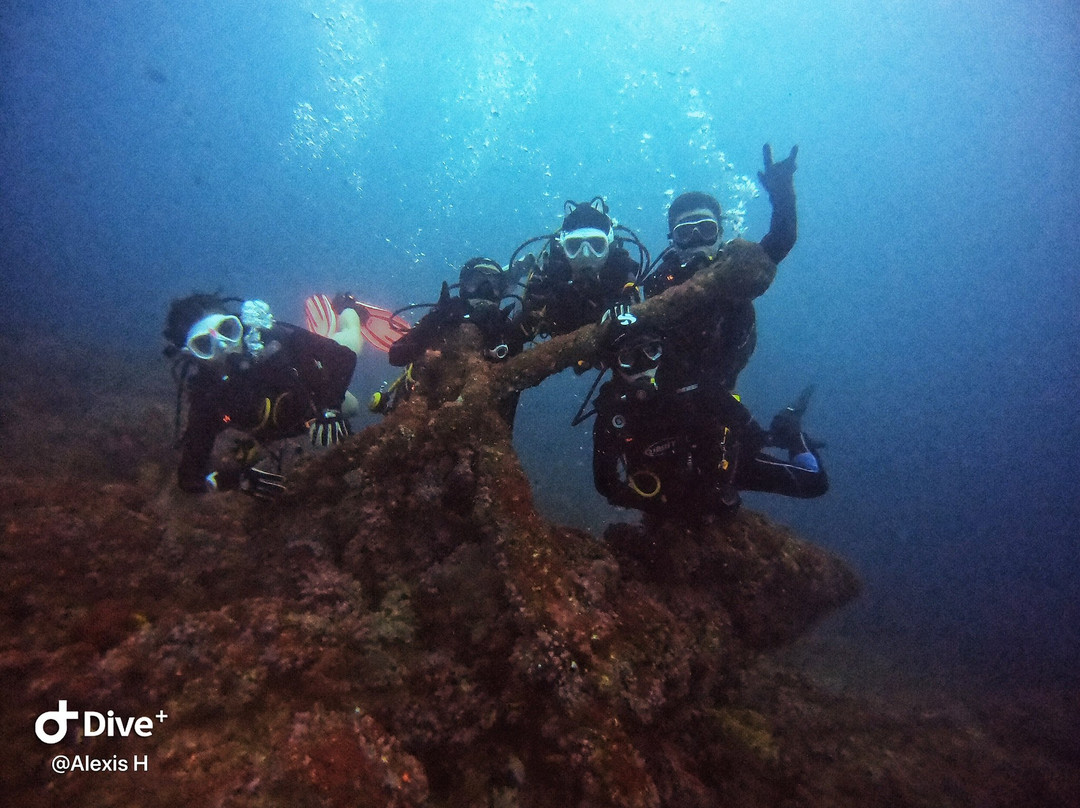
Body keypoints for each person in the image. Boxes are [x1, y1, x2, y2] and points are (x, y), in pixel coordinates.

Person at [589, 330, 826, 517]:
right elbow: (606, 483)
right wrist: (658, 506)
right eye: (629, 358)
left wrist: (721, 479)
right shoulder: (613, 414)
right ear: (614, 366)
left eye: (652, 350)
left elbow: (749, 434)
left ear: (663, 350)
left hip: (726, 470)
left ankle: (791, 428)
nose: (644, 365)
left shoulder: (693, 385)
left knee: (814, 482)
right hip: (666, 493)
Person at [163, 293, 357, 497]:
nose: (222, 346)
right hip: (289, 426)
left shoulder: (272, 339)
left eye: (227, 330)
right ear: (192, 355)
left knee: (351, 389)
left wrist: (331, 408)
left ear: (238, 323)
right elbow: (189, 477)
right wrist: (233, 479)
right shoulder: (207, 398)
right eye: (203, 344)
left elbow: (343, 357)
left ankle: (348, 309)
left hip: (318, 396)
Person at [642, 143, 799, 395]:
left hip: (722, 390)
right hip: (668, 394)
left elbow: (781, 240)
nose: (696, 242)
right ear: (673, 240)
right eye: (685, 233)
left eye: (705, 230)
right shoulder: (658, 283)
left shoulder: (739, 269)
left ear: (720, 234)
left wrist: (783, 195)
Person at [371, 257, 524, 422]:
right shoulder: (443, 316)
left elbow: (511, 391)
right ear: (463, 286)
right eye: (476, 282)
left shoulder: (505, 329)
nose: (484, 289)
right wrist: (434, 324)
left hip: (473, 424)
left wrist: (504, 336)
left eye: (493, 285)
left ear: (501, 290)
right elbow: (395, 355)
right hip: (417, 414)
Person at [513, 197, 649, 347]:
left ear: (609, 245)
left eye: (597, 245)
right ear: (562, 247)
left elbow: (636, 311)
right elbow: (521, 329)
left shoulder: (621, 271)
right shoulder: (550, 275)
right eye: (574, 246)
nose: (585, 254)